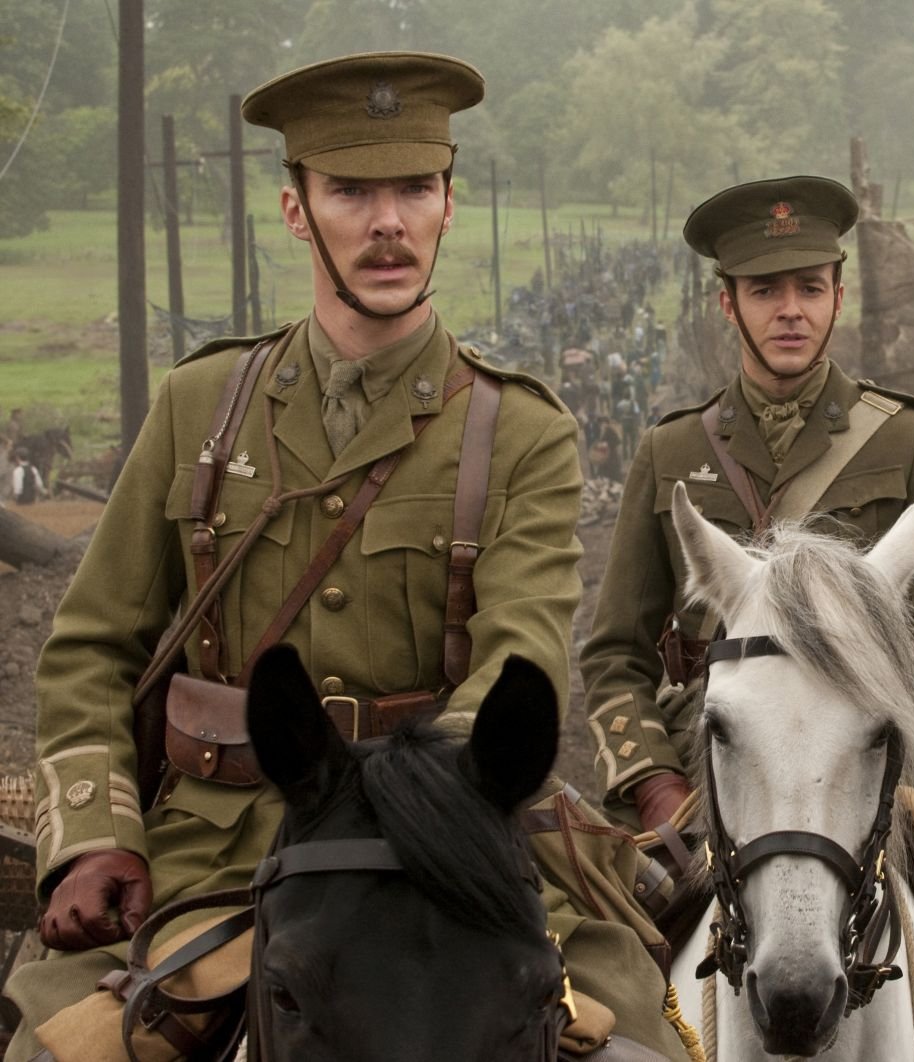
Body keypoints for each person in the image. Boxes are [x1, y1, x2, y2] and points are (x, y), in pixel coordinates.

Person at [5, 52, 686, 1061]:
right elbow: (92, 648)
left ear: (448, 204)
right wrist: (97, 837)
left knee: (638, 1043)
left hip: (455, 850)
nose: (387, 223)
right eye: (352, 192)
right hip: (214, 850)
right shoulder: (200, 406)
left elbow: (522, 654)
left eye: (413, 189)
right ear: (296, 210)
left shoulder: (521, 432)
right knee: (61, 1046)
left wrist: (436, 807)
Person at [579, 175, 914, 1031]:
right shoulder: (672, 450)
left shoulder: (908, 439)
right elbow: (614, 650)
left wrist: (865, 705)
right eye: (765, 291)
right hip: (714, 754)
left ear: (838, 296)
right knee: (581, 947)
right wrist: (655, 780)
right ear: (728, 304)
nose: (790, 311)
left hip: (880, 750)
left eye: (810, 288)